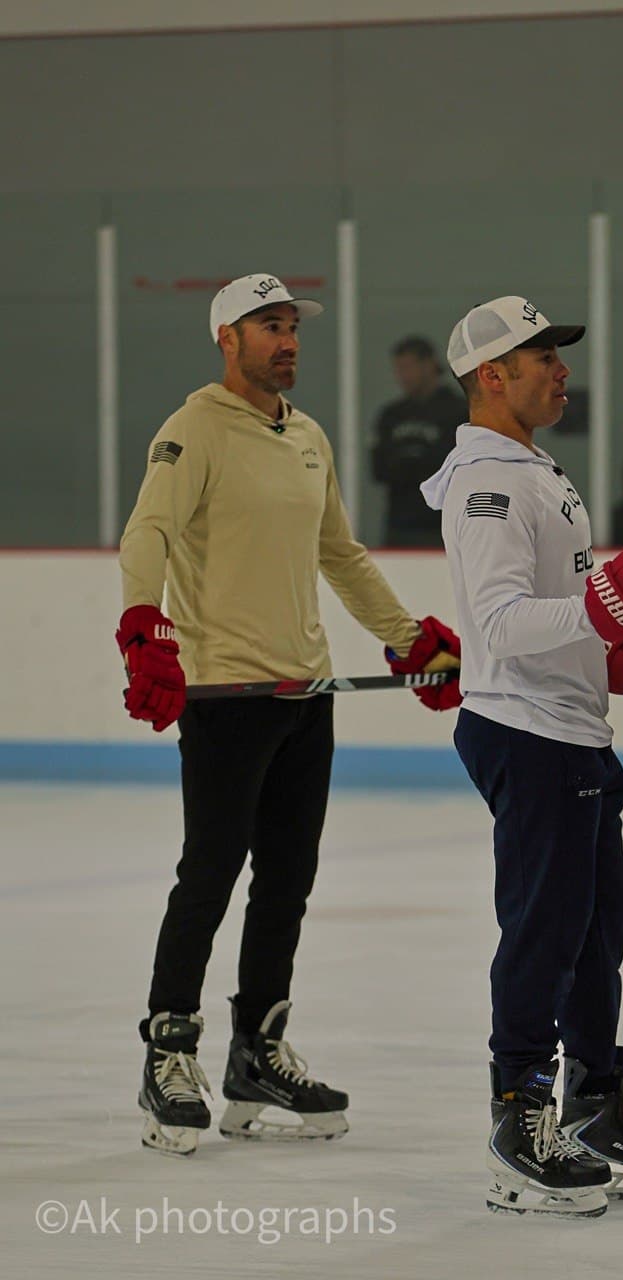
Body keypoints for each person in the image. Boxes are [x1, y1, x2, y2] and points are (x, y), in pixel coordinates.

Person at [117, 273, 461, 1157]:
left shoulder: (305, 436)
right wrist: (143, 629)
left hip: (306, 696)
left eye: (292, 327)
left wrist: (407, 639)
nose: (288, 340)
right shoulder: (192, 429)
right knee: (209, 876)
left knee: (286, 882)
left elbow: (338, 553)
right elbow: (147, 534)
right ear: (227, 339)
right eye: (269, 327)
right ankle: (168, 1050)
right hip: (226, 696)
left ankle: (257, 1051)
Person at [421, 295, 623, 1217]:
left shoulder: (537, 470)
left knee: (596, 930)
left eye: (559, 353)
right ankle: (519, 1118)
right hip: (525, 730)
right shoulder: (488, 485)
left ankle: (589, 1105)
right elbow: (501, 627)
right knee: (545, 931)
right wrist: (614, 598)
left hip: (571, 728)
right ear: (490, 377)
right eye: (541, 355)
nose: (561, 368)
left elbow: (568, 611)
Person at [370, 335, 464, 546]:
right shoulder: (392, 415)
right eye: (398, 369)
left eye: (407, 367)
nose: (402, 376)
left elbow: (458, 470)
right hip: (400, 527)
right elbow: (379, 469)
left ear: (429, 364)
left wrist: (410, 463)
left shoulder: (458, 412)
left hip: (442, 526)